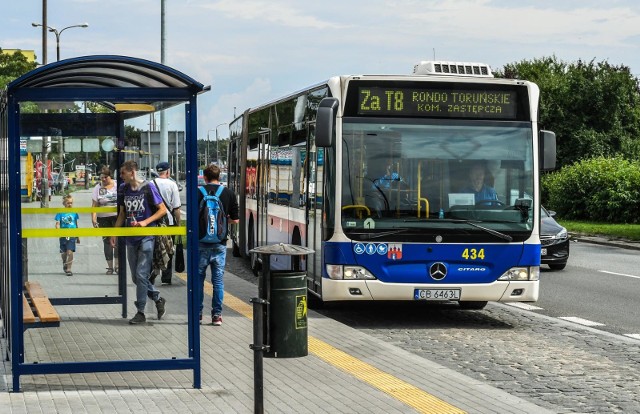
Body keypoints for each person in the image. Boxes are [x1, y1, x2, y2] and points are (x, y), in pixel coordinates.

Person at [110, 160, 168, 325]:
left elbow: (162, 209)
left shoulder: (148, 187)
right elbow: (122, 213)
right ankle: (157, 298)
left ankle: (140, 311)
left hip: (147, 236)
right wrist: (114, 233)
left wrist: (145, 222)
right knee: (136, 278)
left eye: (123, 173)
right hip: (130, 237)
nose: (120, 177)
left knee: (142, 274)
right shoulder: (123, 189)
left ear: (132, 172)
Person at [197, 164, 239, 326]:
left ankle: (198, 313)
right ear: (219, 177)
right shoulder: (228, 193)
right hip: (220, 244)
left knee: (199, 280)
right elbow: (235, 220)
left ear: (204, 177)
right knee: (218, 281)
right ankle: (217, 316)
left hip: (201, 243)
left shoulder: (198, 192)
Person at [150, 161, 182, 285]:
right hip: (169, 222)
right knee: (169, 248)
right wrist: (178, 223)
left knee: (155, 248)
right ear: (168, 171)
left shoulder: (151, 184)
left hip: (154, 220)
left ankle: (153, 271)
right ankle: (166, 277)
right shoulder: (172, 185)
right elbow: (176, 208)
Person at [91, 166, 119, 274]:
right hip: (103, 218)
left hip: (117, 217)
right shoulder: (97, 188)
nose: (103, 180)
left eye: (105, 177)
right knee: (107, 242)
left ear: (110, 176)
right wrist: (93, 218)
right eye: (101, 177)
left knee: (117, 241)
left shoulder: (117, 185)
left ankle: (117, 266)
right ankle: (110, 267)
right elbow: (94, 205)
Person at [55, 194, 79, 276]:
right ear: (64, 203)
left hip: (72, 234)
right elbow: (57, 223)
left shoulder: (74, 212)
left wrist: (78, 235)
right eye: (68, 203)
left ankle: (69, 269)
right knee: (64, 252)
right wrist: (58, 229)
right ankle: (64, 262)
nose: (70, 205)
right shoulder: (60, 212)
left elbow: (76, 224)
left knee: (70, 251)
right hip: (63, 235)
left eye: (71, 203)